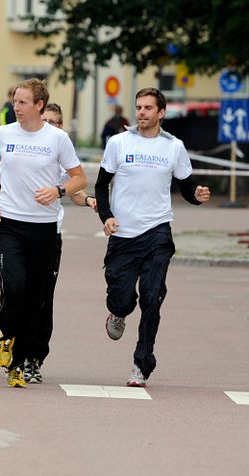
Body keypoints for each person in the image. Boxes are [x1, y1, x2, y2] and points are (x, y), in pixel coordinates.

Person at [94, 87, 211, 387]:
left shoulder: (174, 147)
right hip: (123, 234)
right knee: (121, 298)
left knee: (152, 298)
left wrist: (197, 196)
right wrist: (106, 216)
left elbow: (187, 188)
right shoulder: (118, 143)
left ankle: (141, 364)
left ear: (161, 112)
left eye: (148, 108)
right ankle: (118, 313)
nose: (141, 112)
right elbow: (101, 186)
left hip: (157, 232)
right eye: (139, 107)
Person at [0, 78, 86, 388]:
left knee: (35, 299)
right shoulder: (2, 134)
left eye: (23, 102)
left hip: (44, 229)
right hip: (9, 223)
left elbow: (79, 178)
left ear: (39, 105)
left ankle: (19, 362)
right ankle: (6, 336)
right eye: (15, 100)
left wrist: (58, 190)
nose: (16, 106)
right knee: (14, 287)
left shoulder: (57, 139)